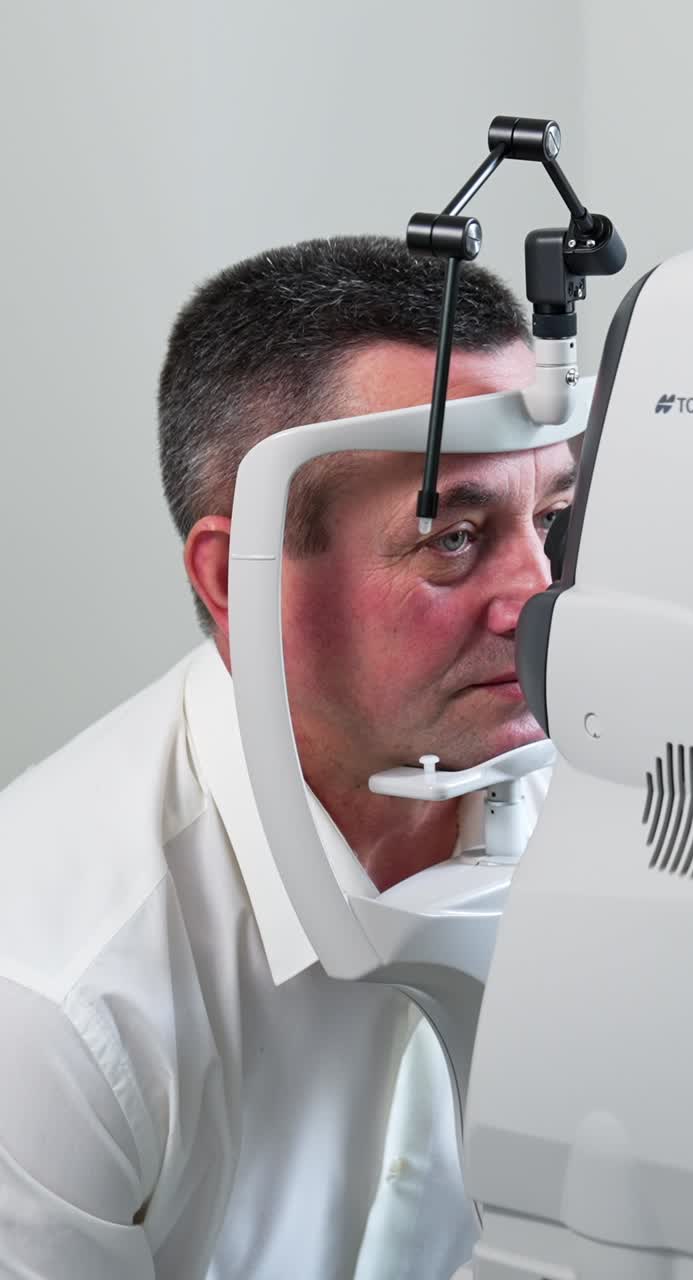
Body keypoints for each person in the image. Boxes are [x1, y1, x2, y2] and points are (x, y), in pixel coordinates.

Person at [0, 236, 576, 1278]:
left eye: (550, 520)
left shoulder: (633, 817)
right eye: (452, 534)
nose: (537, 602)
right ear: (241, 579)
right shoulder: (47, 991)